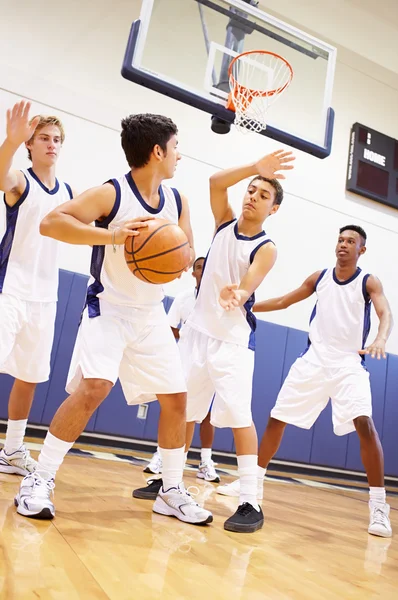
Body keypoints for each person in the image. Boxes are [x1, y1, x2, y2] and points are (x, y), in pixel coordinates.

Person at [14, 113, 212, 527]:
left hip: (150, 312)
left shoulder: (177, 201)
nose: (180, 156)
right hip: (109, 308)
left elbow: (186, 254)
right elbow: (53, 222)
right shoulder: (112, 193)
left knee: (177, 400)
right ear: (157, 151)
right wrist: (115, 236)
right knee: (94, 389)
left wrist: (178, 256)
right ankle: (39, 479)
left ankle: (171, 490)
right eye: (176, 147)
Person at [133, 150, 294, 532]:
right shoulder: (224, 223)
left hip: (233, 342)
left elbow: (250, 282)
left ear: (273, 209)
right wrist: (254, 167)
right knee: (181, 411)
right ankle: (169, 482)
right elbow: (215, 182)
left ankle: (250, 502)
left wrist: (237, 294)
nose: (252, 196)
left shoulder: (266, 247)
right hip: (196, 336)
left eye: (263, 195)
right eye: (251, 190)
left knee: (239, 417)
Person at [219, 225, 393, 538]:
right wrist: (246, 304)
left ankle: (379, 506)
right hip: (313, 361)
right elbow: (286, 300)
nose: (343, 245)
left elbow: (385, 312)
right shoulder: (320, 277)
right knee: (276, 418)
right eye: (340, 239)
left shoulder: (368, 281)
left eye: (350, 241)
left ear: (361, 250)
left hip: (348, 363)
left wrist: (381, 338)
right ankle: (251, 483)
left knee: (365, 424)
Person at [0, 100, 73, 477]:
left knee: (29, 376)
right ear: (31, 144)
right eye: (43, 138)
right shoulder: (21, 180)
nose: (51, 144)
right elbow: (1, 178)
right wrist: (10, 141)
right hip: (9, 289)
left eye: (56, 139)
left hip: (45, 296)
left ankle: (12, 450)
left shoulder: (68, 192)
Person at [144, 257, 220, 483]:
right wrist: (186, 335)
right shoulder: (184, 299)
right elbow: (170, 326)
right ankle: (164, 457)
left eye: (206, 266)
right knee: (176, 407)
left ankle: (204, 461)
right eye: (198, 266)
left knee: (205, 413)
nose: (202, 269)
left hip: (210, 359)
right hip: (184, 357)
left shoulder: (219, 298)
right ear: (192, 273)